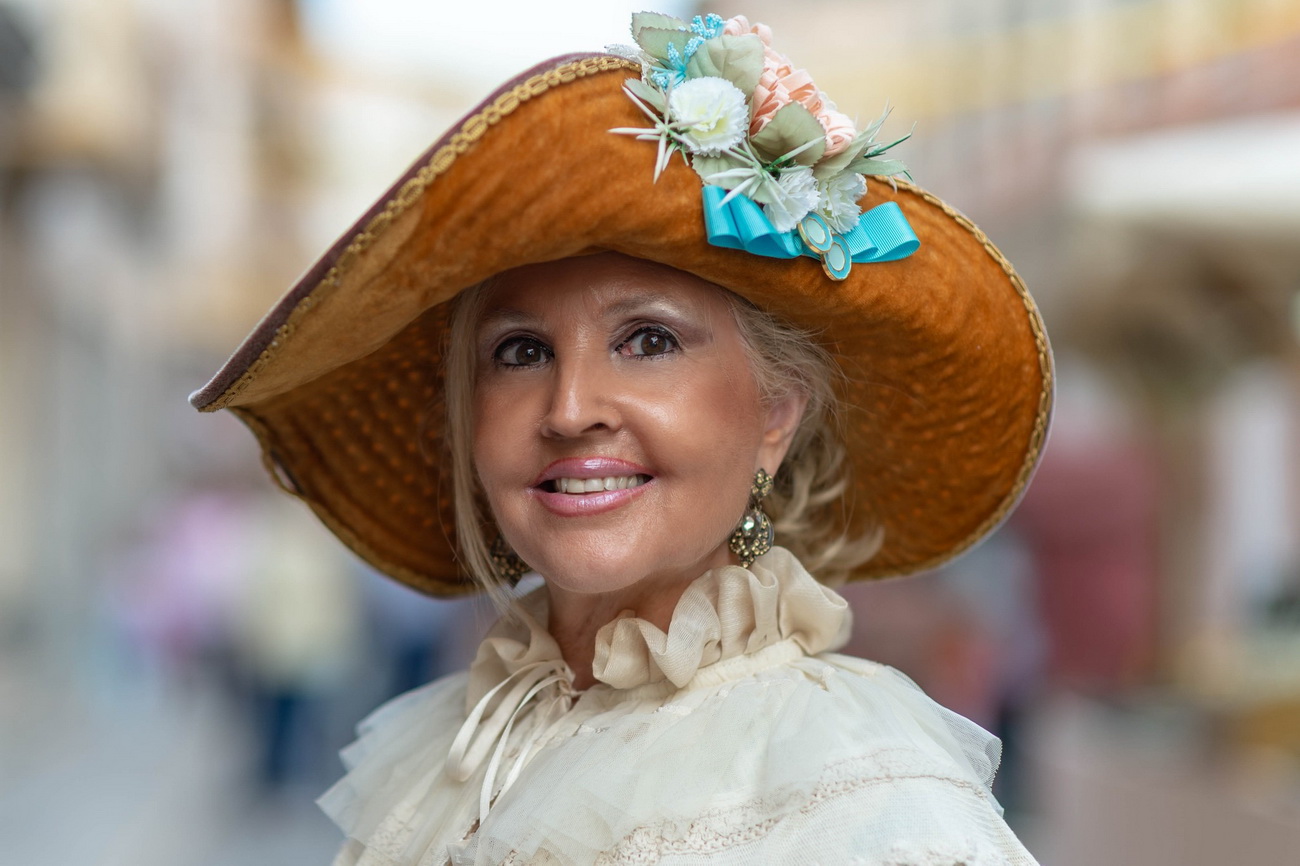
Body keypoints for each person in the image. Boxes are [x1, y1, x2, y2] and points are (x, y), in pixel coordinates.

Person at [192, 11, 1051, 865]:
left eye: (649, 340)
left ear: (775, 414)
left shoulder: (864, 803)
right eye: (521, 352)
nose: (569, 409)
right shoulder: (452, 756)